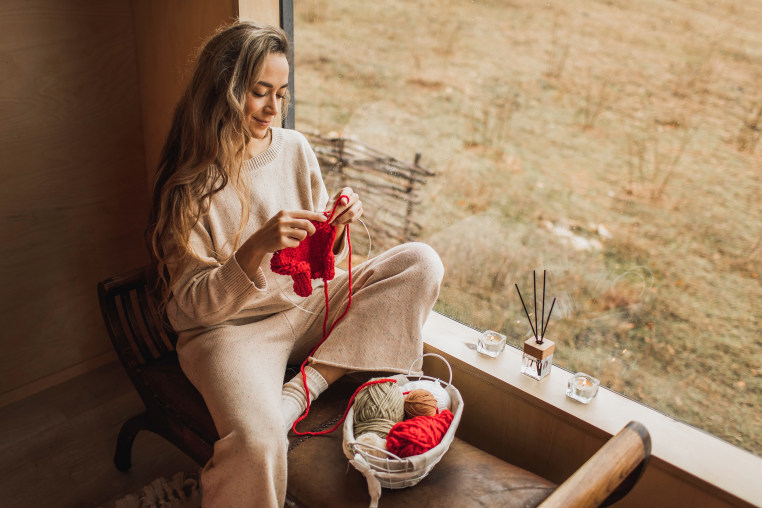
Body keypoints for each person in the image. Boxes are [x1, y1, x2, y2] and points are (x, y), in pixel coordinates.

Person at [146, 20, 444, 507]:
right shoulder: (190, 185)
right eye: (259, 92)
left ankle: (302, 390)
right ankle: (278, 412)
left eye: (281, 93)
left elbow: (325, 260)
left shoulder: (294, 148)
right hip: (229, 331)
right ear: (223, 91)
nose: (272, 108)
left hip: (302, 308)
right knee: (259, 443)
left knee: (420, 262)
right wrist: (253, 248)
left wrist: (339, 226)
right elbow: (185, 312)